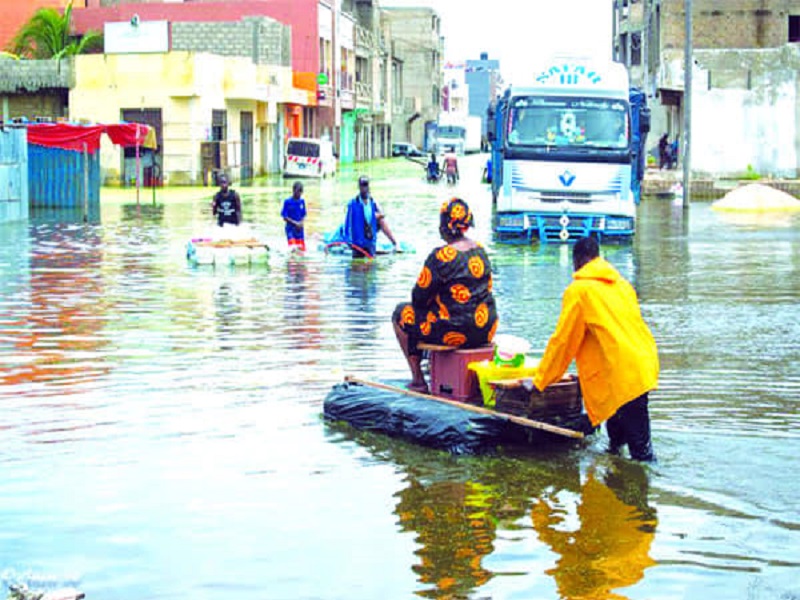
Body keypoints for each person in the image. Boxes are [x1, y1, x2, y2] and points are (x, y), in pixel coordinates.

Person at [532, 237, 659, 461]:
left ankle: (644, 487)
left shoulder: (580, 291)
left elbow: (563, 343)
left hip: (622, 374)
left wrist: (540, 381)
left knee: (642, 456)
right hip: (641, 365)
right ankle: (615, 485)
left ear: (577, 261)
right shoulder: (622, 285)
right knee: (616, 444)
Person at [393, 198, 498, 393]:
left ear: (444, 226)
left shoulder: (441, 256)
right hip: (485, 329)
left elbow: (418, 298)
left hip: (456, 333)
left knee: (402, 313)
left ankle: (418, 380)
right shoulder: (481, 251)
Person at [341, 175, 398, 258]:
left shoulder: (373, 203)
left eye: (365, 185)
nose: (364, 188)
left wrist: (377, 214)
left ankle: (395, 243)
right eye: (362, 185)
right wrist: (348, 240)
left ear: (368, 186)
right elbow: (347, 224)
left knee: (371, 266)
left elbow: (382, 214)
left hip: (370, 242)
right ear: (359, 187)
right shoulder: (353, 204)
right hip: (358, 243)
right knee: (357, 266)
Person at [281, 181, 307, 252]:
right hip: (290, 229)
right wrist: (295, 223)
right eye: (298, 192)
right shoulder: (287, 202)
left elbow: (303, 214)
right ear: (293, 190)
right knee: (293, 249)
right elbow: (284, 217)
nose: (299, 194)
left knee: (301, 250)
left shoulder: (302, 202)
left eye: (301, 192)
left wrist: (301, 223)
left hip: (299, 230)